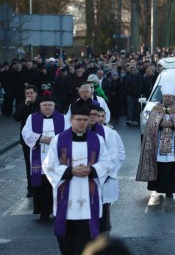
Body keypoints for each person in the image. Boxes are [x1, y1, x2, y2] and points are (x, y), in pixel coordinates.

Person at [42, 101, 112, 255]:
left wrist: (92, 170)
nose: (82, 123)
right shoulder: (58, 140)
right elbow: (48, 165)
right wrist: (70, 171)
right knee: (67, 244)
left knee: (85, 244)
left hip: (89, 202)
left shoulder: (97, 140)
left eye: (85, 120)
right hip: (66, 201)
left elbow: (107, 163)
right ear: (71, 120)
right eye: (78, 119)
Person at [136, 81, 175, 197]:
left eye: (169, 97)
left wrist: (173, 125)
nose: (167, 98)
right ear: (162, 97)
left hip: (173, 144)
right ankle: (157, 187)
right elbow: (150, 125)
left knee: (171, 167)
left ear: (173, 97)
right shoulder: (156, 108)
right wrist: (160, 124)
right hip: (158, 143)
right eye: (165, 96)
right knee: (159, 165)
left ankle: (170, 190)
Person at [21, 92, 70, 219]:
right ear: (40, 106)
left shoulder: (63, 118)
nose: (47, 107)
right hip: (39, 157)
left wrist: (54, 139)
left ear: (54, 106)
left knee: (57, 183)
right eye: (44, 105)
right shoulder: (32, 118)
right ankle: (43, 211)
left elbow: (69, 133)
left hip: (57, 158)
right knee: (41, 185)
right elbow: (25, 132)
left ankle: (57, 211)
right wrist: (40, 138)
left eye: (50, 105)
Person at [87, 105, 126, 234]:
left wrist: (106, 171)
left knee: (104, 206)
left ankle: (104, 231)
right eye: (94, 115)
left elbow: (117, 154)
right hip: (84, 177)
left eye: (100, 116)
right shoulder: (79, 132)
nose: (98, 118)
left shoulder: (110, 133)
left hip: (104, 176)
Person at [13, 85, 41, 197]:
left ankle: (39, 186)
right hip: (26, 139)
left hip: (39, 138)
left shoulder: (40, 104)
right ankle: (30, 188)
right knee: (29, 164)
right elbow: (16, 117)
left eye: (31, 93)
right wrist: (25, 105)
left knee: (38, 163)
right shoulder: (22, 104)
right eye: (27, 93)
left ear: (35, 93)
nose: (29, 95)